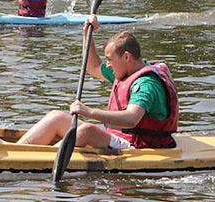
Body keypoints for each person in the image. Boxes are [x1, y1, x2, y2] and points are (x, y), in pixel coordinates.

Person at [17, 18, 179, 149]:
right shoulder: (125, 70)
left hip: (139, 145)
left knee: (88, 130)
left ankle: (42, 160)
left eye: (109, 60)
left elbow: (131, 119)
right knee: (56, 117)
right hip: (120, 136)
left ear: (127, 57)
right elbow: (93, 66)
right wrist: (88, 34)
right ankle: (18, 152)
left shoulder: (146, 84)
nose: (107, 65)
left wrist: (89, 112)